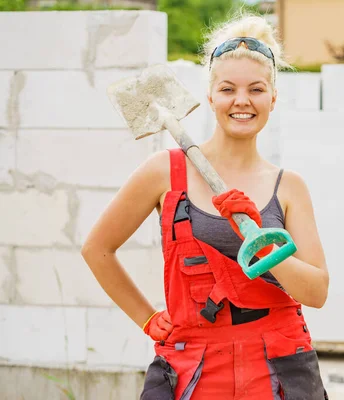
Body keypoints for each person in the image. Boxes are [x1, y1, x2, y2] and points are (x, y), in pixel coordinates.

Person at [81, 12, 329, 400]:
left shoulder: (289, 187)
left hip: (278, 364)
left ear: (273, 99)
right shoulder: (164, 172)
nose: (242, 101)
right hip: (192, 365)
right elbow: (97, 249)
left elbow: (316, 292)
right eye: (228, 89)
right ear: (210, 96)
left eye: (257, 90)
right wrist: (146, 318)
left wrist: (262, 243)